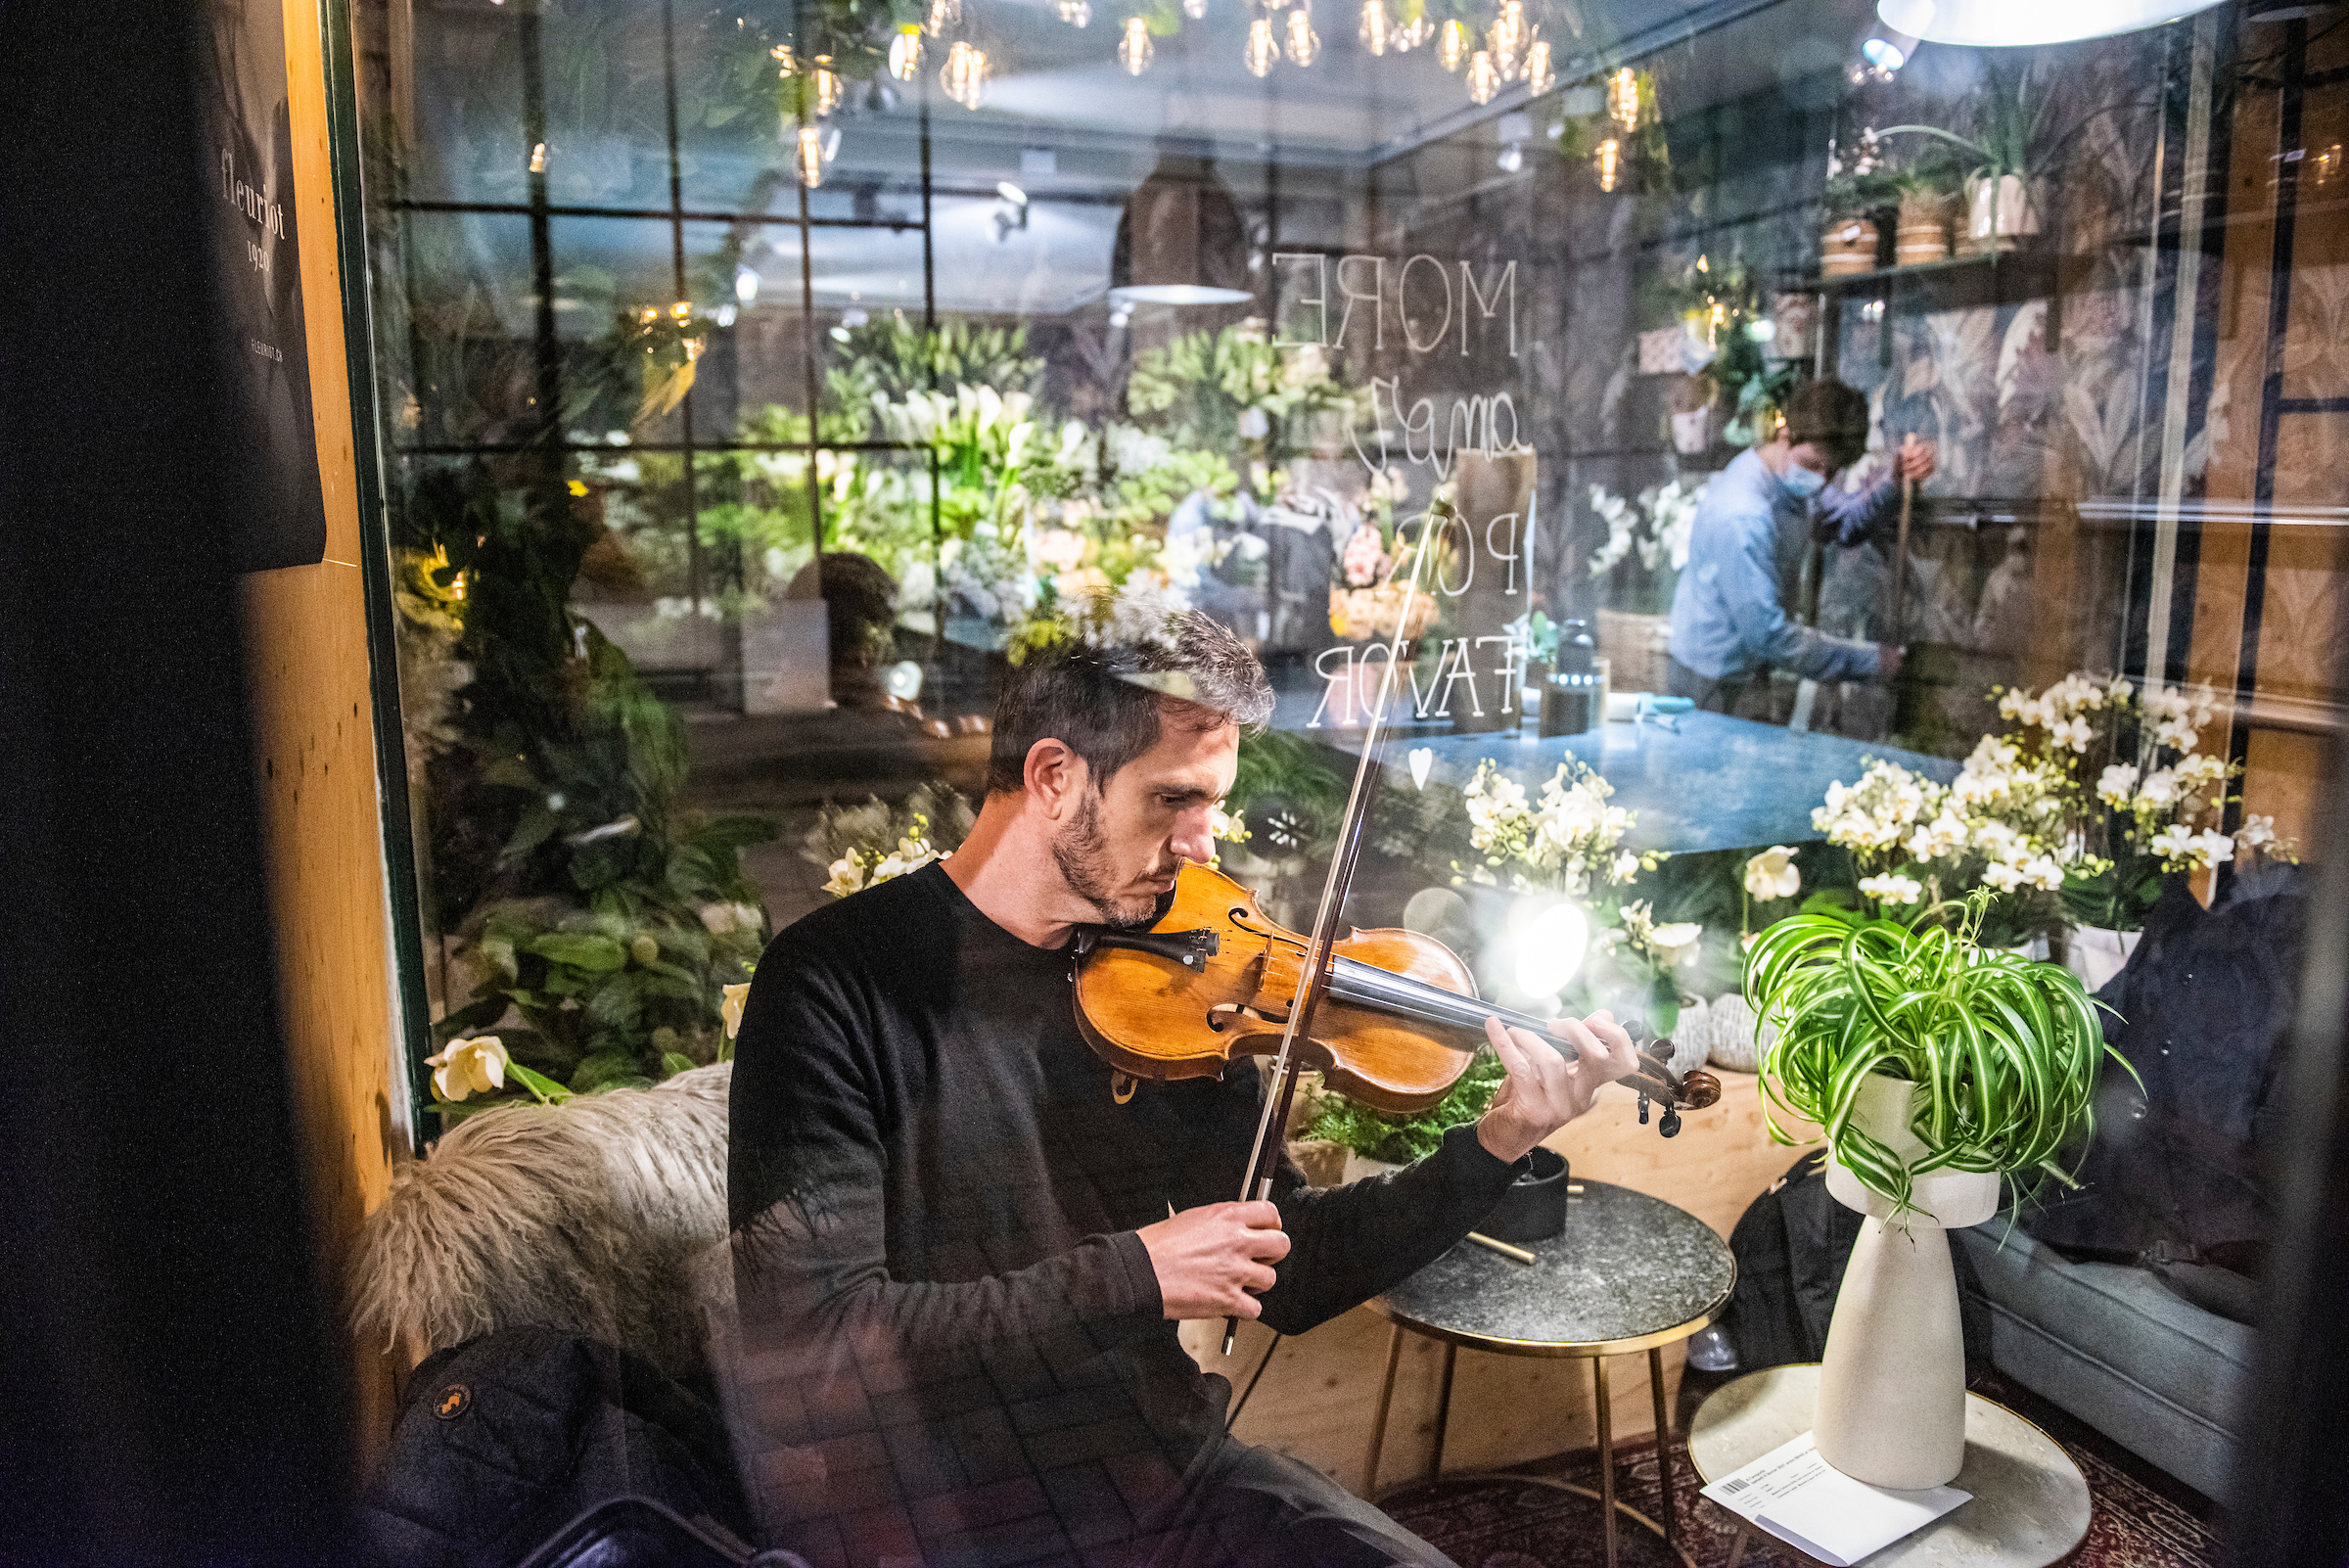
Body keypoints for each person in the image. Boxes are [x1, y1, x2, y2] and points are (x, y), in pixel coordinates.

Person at [725, 594, 1643, 1567]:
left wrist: (1495, 1145)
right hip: (951, 1521)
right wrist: (1137, 1272)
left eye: (1216, 801)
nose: (1206, 843)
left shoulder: (1179, 984)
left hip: (1164, 1475)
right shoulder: (834, 983)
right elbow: (822, 1350)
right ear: (1053, 777)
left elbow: (1289, 1272)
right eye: (1174, 800)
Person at [1664, 379, 1936, 717]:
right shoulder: (1742, 515)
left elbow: (1844, 525)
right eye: (1813, 465)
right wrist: (1868, 661)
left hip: (1750, 665)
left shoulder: (1795, 483)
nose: (1822, 480)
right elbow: (1768, 636)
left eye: (1832, 470)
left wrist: (1893, 482)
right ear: (1785, 435)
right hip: (1711, 679)